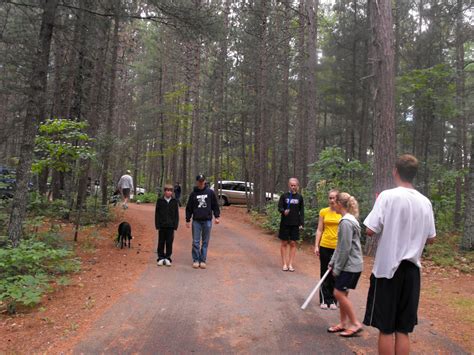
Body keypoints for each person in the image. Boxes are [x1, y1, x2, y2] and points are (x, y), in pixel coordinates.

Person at [363, 154, 436, 354]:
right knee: (403, 329)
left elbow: (370, 229)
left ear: (395, 171)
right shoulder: (425, 202)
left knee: (386, 328)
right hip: (412, 270)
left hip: (387, 270)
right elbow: (431, 237)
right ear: (413, 174)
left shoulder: (387, 196)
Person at [327, 192, 364, 337]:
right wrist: (332, 262)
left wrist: (337, 268)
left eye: (334, 202)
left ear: (340, 204)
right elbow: (340, 246)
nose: (332, 204)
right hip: (348, 265)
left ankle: (355, 323)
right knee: (342, 293)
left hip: (351, 266)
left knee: (338, 293)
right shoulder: (346, 220)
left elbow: (345, 249)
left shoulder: (347, 222)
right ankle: (343, 323)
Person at [185, 174, 220, 269]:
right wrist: (188, 219)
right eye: (199, 181)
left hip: (207, 220)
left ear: (204, 181)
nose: (201, 182)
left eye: (202, 181)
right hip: (196, 221)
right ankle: (196, 260)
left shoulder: (210, 193)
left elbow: (215, 205)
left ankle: (203, 260)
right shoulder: (193, 194)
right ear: (197, 182)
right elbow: (189, 208)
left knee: (205, 241)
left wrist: (217, 216)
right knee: (196, 241)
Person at [314, 189, 341, 310]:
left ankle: (333, 300)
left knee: (335, 273)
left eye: (334, 198)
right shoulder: (323, 212)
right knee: (324, 272)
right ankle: (324, 299)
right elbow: (320, 229)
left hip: (338, 247)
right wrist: (316, 245)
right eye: (330, 198)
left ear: (338, 199)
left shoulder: (342, 213)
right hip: (325, 245)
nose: (332, 200)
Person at [277, 178, 304, 272]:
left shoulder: (299, 197)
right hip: (285, 223)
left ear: (297, 186)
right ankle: (284, 263)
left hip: (295, 223)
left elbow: (302, 211)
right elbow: (279, 207)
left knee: (293, 243)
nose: (293, 187)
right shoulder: (284, 196)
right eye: (291, 185)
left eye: (294, 185)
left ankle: (290, 264)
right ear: (289, 185)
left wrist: (301, 223)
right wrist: (283, 211)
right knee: (284, 242)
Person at [155, 184, 179, 267]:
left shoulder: (174, 201)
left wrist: (175, 225)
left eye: (170, 191)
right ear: (164, 191)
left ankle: (168, 258)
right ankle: (161, 258)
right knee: (161, 241)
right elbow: (157, 214)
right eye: (167, 190)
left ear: (172, 192)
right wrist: (157, 224)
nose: (168, 192)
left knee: (169, 242)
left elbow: (176, 214)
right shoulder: (160, 201)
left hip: (170, 226)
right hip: (162, 225)